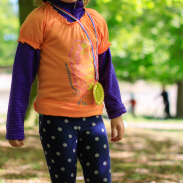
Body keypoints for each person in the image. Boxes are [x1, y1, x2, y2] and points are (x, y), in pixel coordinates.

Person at [6, 0, 127, 182]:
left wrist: (116, 111)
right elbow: (22, 76)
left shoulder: (95, 20)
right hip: (55, 120)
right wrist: (15, 125)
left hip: (93, 120)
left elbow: (106, 70)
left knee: (101, 179)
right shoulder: (39, 19)